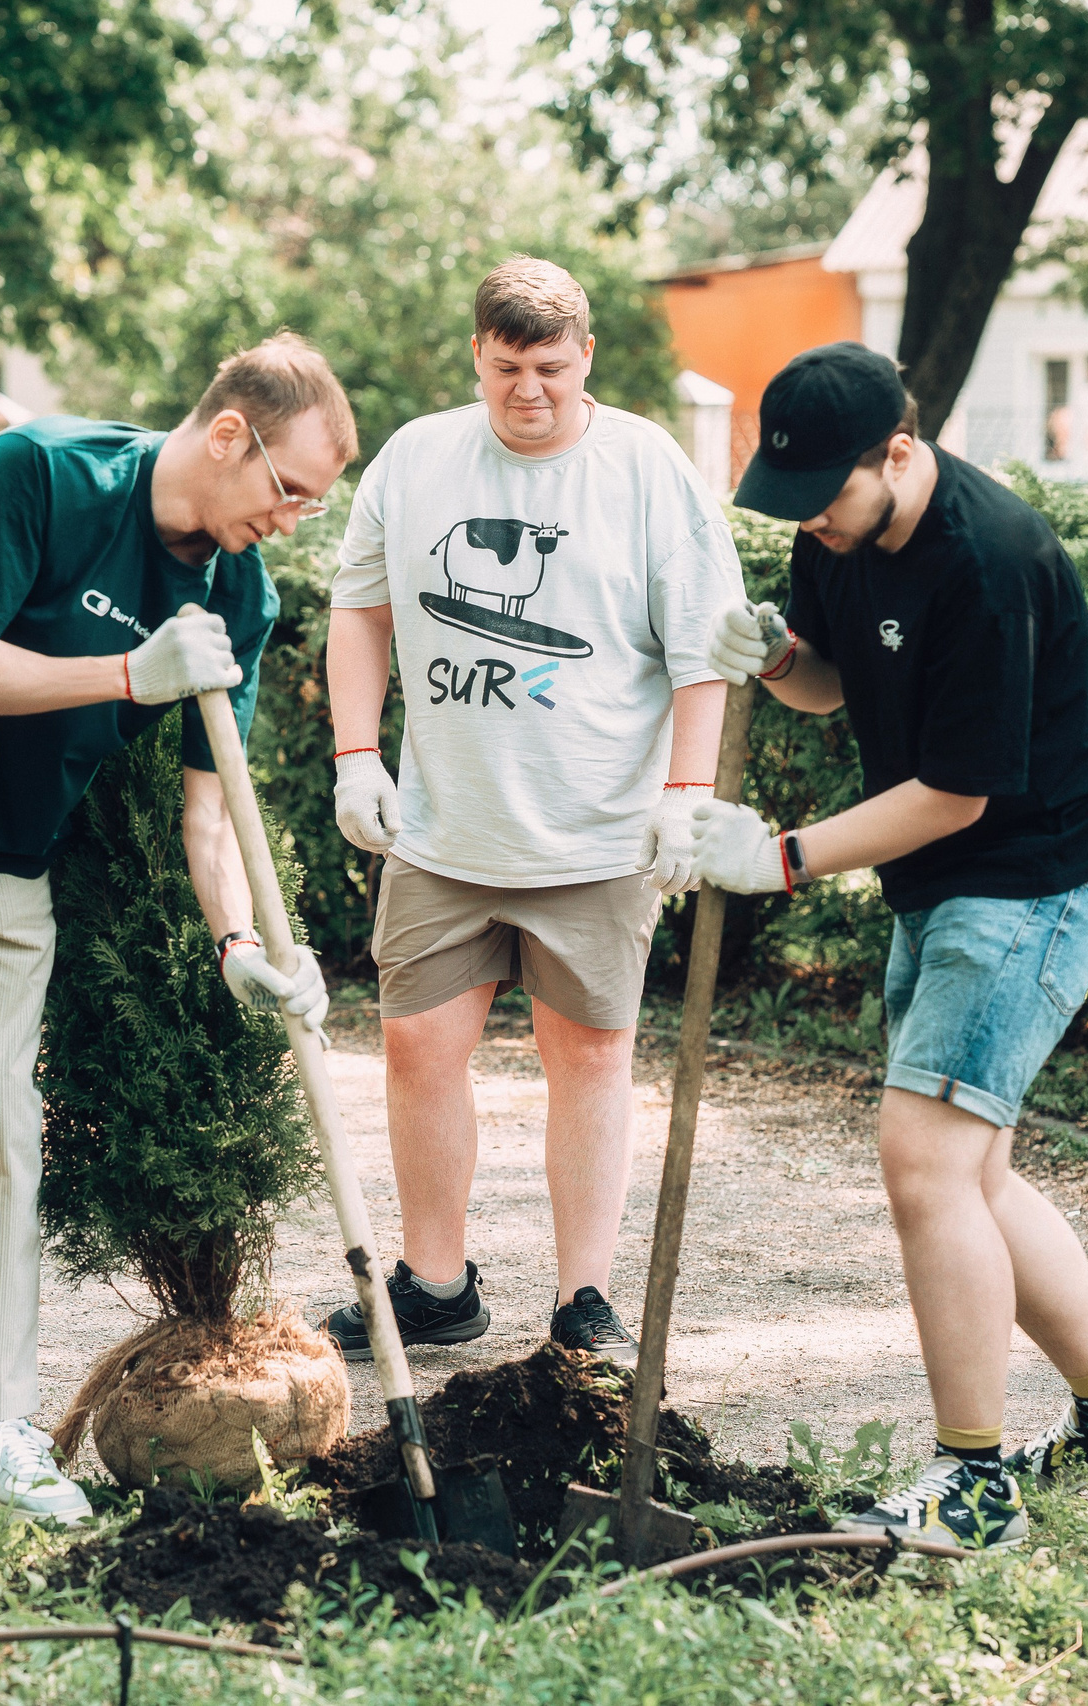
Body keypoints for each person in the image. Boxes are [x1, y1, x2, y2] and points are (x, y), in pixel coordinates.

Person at [0, 335, 355, 1524]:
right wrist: (131, 672)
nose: (292, 521)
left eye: (313, 505)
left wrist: (242, 946)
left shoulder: (236, 595)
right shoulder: (38, 472)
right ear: (229, 434)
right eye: (289, 490)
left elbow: (209, 813)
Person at [694, 341, 1088, 1550]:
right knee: (971, 1173)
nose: (807, 520)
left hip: (1035, 875)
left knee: (923, 1162)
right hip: (946, 876)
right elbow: (832, 682)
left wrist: (779, 856)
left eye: (824, 494)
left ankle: (973, 1482)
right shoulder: (834, 527)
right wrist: (777, 655)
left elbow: (956, 794)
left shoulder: (987, 559)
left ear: (899, 453)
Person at [320, 256, 739, 1367]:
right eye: (506, 366)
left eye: (551, 366)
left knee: (590, 1057)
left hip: (597, 831)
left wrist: (687, 796)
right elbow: (360, 609)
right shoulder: (417, 458)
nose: (529, 390)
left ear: (585, 356)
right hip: (445, 828)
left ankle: (583, 1299)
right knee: (417, 1045)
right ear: (477, 355)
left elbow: (705, 650)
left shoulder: (646, 469)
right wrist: (356, 755)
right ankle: (435, 1285)